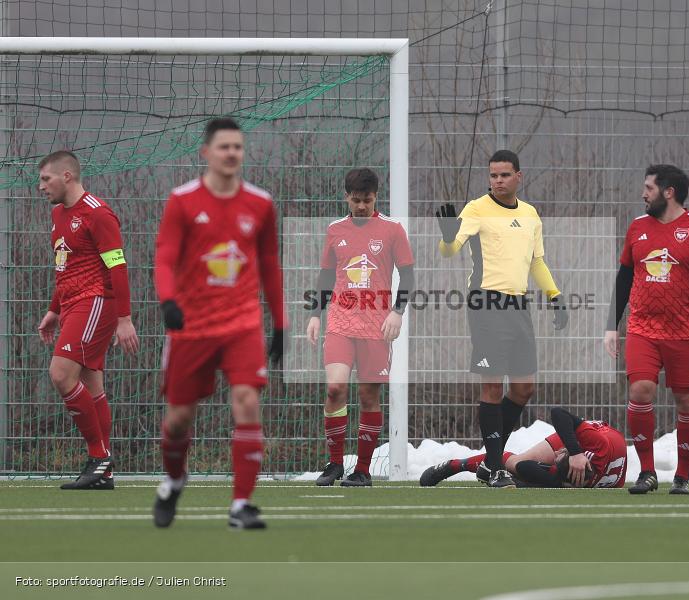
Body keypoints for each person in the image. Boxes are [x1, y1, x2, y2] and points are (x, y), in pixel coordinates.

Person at [152, 117, 286, 530]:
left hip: (242, 323)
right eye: (224, 147)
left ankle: (240, 505)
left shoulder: (260, 203)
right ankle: (174, 479)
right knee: (178, 419)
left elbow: (268, 264)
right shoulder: (183, 200)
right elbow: (165, 256)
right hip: (192, 325)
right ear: (205, 153)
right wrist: (168, 300)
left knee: (247, 401)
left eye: (238, 147)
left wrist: (280, 323)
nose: (232, 154)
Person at [436, 150, 568, 488]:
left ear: (518, 177)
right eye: (493, 175)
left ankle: (488, 460)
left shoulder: (530, 214)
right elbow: (449, 250)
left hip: (518, 306)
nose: (497, 181)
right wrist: (448, 236)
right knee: (493, 385)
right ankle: (494, 467)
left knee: (524, 388)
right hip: (485, 303)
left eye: (504, 175)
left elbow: (536, 262)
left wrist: (555, 296)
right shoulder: (477, 208)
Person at [603, 164, 689, 495]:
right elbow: (624, 276)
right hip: (643, 328)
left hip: (686, 331)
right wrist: (611, 325)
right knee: (640, 390)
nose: (643, 193)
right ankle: (646, 472)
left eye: (649, 188)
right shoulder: (638, 227)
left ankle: (682, 477)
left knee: (687, 402)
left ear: (668, 192)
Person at [306, 168, 414, 487]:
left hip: (376, 327)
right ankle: (335, 464)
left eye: (367, 200)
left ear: (375, 196)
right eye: (356, 200)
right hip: (340, 322)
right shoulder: (334, 230)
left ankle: (363, 470)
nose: (362, 206)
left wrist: (397, 312)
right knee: (335, 388)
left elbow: (408, 275)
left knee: (368, 395)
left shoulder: (393, 230)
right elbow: (327, 275)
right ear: (346, 198)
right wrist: (315, 313)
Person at [37, 151, 138, 490]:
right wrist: (54, 309)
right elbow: (66, 266)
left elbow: (117, 267)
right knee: (92, 385)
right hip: (73, 306)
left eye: (45, 179)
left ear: (67, 176)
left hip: (96, 303)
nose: (41, 186)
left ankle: (99, 458)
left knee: (60, 374)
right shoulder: (57, 215)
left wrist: (124, 319)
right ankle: (103, 472)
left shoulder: (98, 214)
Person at [419, 407, 626, 488]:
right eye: (561, 453)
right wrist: (574, 451)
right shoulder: (599, 446)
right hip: (587, 440)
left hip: (582, 462)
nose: (557, 451)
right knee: (518, 463)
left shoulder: (572, 480)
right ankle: (456, 465)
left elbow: (530, 469)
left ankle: (486, 468)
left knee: (517, 467)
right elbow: (558, 414)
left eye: (560, 455)